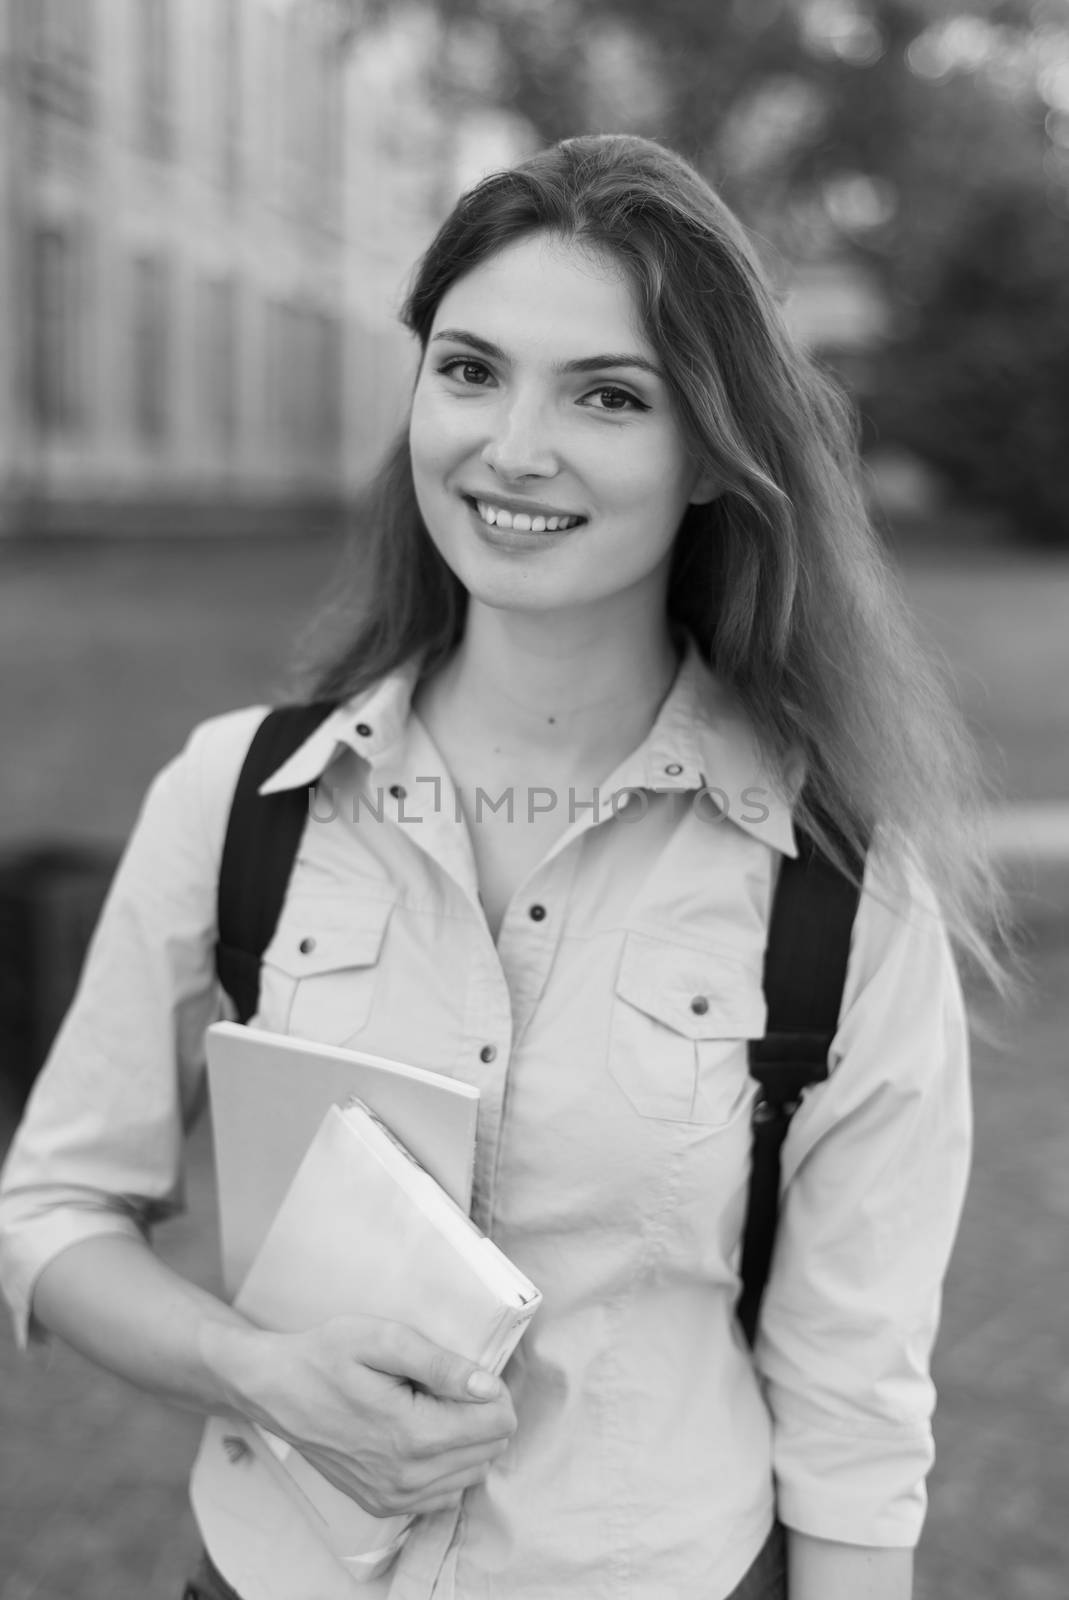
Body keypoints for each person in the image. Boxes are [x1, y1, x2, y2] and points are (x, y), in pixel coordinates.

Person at [0, 134, 1006, 1600]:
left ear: (717, 452)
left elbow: (854, 1395)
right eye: (470, 370)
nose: (512, 446)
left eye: (606, 395)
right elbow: (52, 1211)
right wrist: (255, 1367)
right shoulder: (236, 798)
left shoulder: (840, 883)